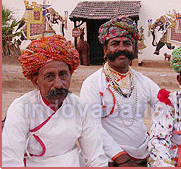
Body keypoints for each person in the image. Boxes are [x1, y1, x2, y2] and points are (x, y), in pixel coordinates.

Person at [2, 35, 108, 167]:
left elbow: (96, 158)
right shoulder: (21, 108)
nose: (58, 84)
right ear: (36, 82)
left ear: (70, 75)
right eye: (49, 76)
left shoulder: (81, 107)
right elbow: (10, 161)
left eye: (63, 74)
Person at [80, 16, 160, 167]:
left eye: (127, 44)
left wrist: (157, 144)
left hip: (143, 156)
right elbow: (91, 126)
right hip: (109, 159)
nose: (122, 48)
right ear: (105, 49)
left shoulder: (144, 82)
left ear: (133, 49)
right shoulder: (93, 83)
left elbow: (165, 108)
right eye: (115, 44)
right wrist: (121, 158)